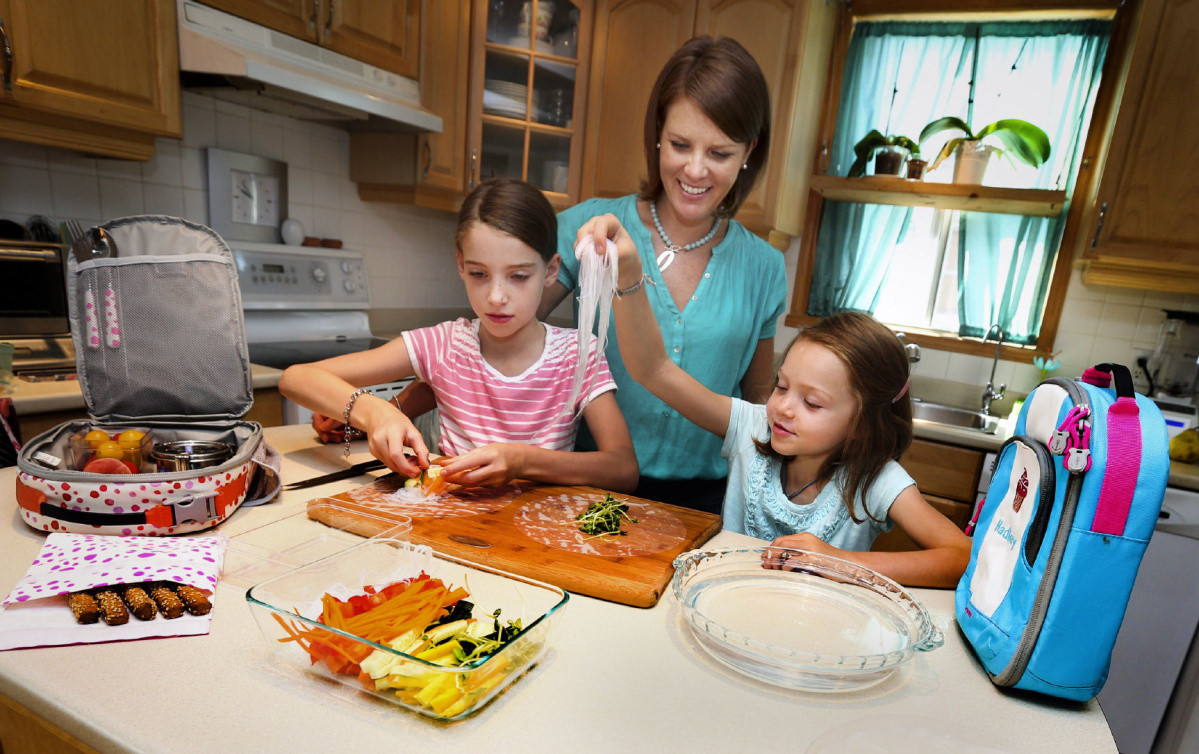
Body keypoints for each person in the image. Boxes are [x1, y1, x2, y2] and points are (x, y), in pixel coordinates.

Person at [574, 214, 972, 587]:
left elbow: (960, 558)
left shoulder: (875, 482)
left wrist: (834, 559)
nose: (782, 407)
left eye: (812, 403)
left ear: (862, 421)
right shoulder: (751, 429)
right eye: (781, 387)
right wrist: (627, 273)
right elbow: (653, 368)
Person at [538, 36, 787, 515]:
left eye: (719, 153)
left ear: (749, 151)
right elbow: (509, 330)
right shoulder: (588, 227)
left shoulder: (764, 268)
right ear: (657, 134)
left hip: (704, 506)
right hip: (586, 483)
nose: (695, 170)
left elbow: (757, 405)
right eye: (679, 144)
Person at [279, 179, 639, 492]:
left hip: (539, 542)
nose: (496, 296)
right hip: (447, 529)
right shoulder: (445, 345)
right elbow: (296, 378)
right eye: (479, 274)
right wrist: (375, 414)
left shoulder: (578, 354)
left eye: (518, 276)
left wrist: (522, 462)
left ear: (551, 271)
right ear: (460, 266)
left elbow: (622, 469)